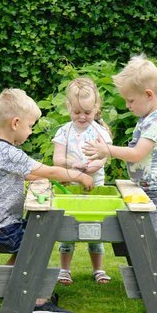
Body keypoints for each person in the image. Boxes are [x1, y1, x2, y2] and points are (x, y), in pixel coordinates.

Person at [82, 55, 157, 310]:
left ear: (148, 94)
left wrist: (107, 150)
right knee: (142, 236)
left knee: (153, 238)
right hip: (145, 190)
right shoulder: (148, 118)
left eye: (130, 100)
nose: (127, 105)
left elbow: (136, 154)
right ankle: (152, 279)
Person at [0, 88, 94, 313]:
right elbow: (45, 170)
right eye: (30, 126)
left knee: (34, 233)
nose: (30, 131)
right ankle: (37, 301)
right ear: (16, 123)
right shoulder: (8, 153)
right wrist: (77, 176)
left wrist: (55, 177)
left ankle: (7, 285)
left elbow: (31, 174)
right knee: (38, 240)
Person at [52, 77, 113, 286]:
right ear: (68, 107)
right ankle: (64, 269)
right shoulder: (64, 131)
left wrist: (91, 167)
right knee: (67, 229)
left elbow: (104, 157)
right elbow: (57, 159)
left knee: (95, 229)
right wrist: (73, 164)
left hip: (95, 187)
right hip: (71, 188)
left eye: (87, 113)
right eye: (77, 112)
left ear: (96, 108)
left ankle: (98, 269)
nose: (82, 117)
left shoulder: (99, 131)